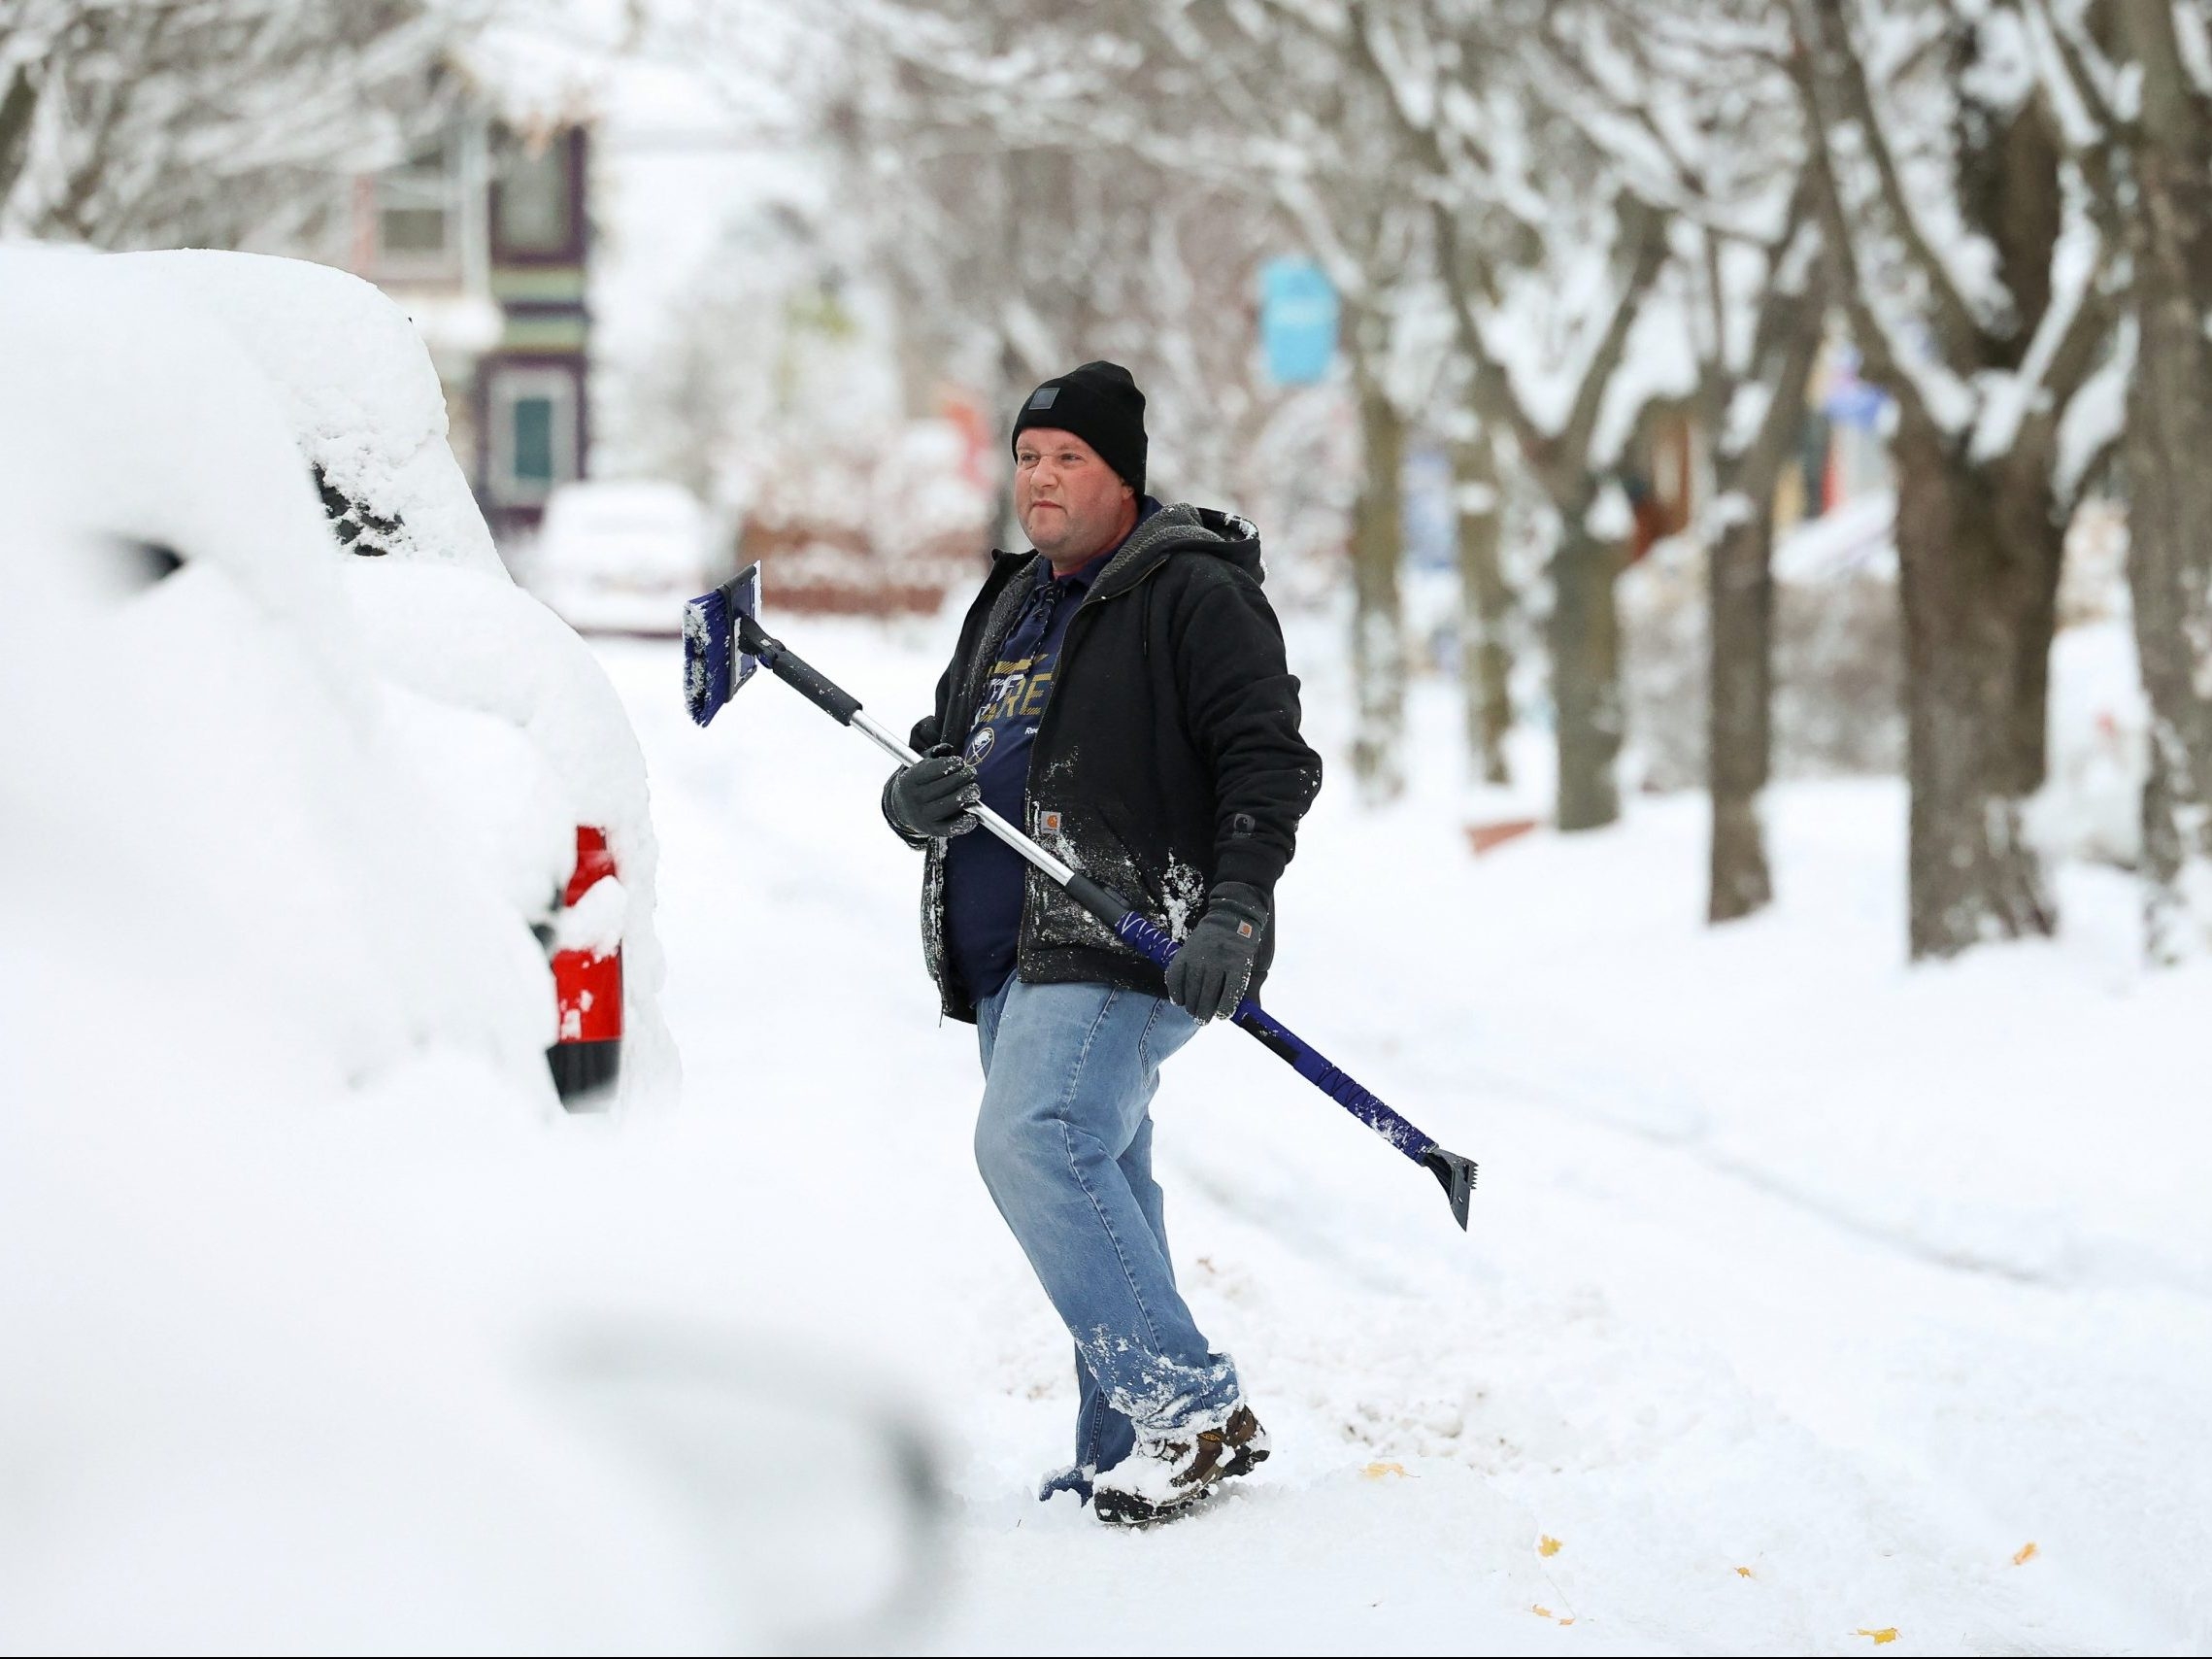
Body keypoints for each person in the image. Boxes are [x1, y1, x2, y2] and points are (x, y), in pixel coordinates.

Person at [881, 360, 1323, 1525]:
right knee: (1102, 1171)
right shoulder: (1013, 600)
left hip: (1129, 929)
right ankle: (1125, 1445)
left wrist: (1233, 911)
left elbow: (1268, 762)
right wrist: (912, 797)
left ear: (1121, 474)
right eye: (1027, 458)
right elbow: (951, 745)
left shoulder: (1191, 592)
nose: (1040, 479)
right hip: (1005, 952)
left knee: (1036, 1139)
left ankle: (1190, 1414)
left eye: (1066, 458)